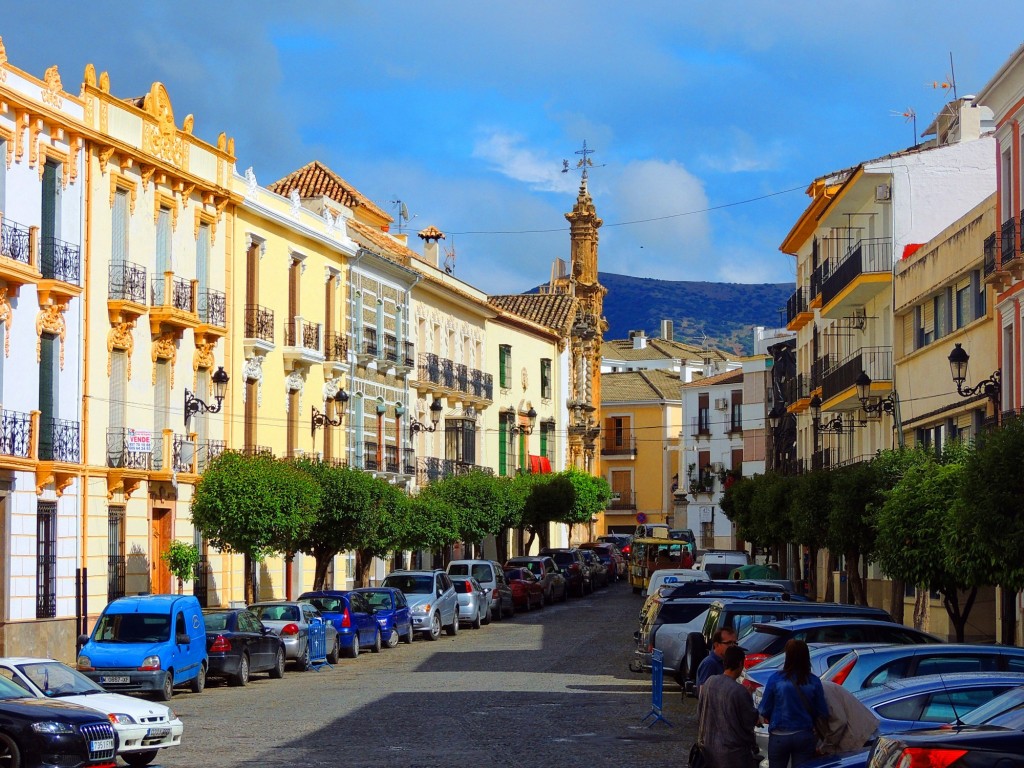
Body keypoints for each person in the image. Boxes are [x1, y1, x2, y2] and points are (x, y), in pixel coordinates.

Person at [757, 639, 829, 768]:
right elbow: (822, 711)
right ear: (806, 657)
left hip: (779, 735)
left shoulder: (776, 679)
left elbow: (763, 709)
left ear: (787, 656)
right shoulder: (813, 681)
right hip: (804, 734)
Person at [696, 644, 759, 768]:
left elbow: (700, 712)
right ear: (740, 664)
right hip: (733, 754)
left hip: (708, 748)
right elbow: (749, 720)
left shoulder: (710, 682)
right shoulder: (738, 691)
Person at [818, 680, 879, 755]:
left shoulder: (821, 691)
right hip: (860, 735)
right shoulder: (819, 688)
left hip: (861, 737)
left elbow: (839, 721)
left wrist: (826, 747)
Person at [695, 627, 737, 697]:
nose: (733, 646)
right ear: (716, 645)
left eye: (735, 643)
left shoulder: (725, 661)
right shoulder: (710, 664)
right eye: (729, 643)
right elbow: (703, 694)